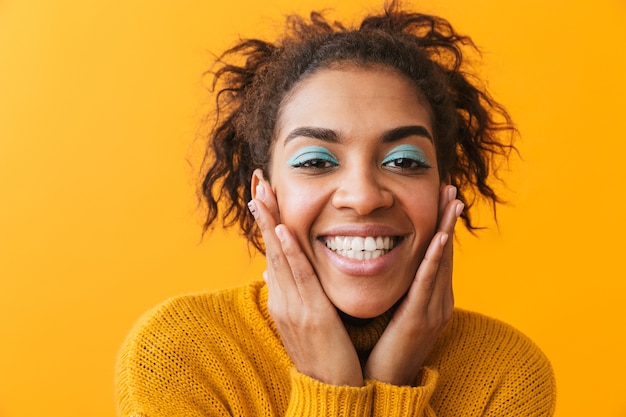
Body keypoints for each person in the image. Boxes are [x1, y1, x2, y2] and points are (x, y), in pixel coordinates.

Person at [115, 1, 556, 416]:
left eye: (403, 161)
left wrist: (392, 382)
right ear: (265, 193)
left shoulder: (505, 375)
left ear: (445, 191)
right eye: (316, 162)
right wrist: (335, 387)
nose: (363, 198)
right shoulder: (179, 353)